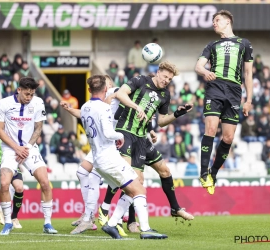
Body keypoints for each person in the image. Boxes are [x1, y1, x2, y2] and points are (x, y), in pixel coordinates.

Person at [99, 61, 194, 232]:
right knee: (131, 179)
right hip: (125, 132)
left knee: (164, 171)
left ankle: (175, 208)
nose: (166, 80)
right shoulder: (140, 81)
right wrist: (136, 107)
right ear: (158, 72)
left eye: (170, 79)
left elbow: (163, 121)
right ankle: (114, 216)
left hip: (142, 138)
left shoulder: (165, 94)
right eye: (165, 76)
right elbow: (121, 94)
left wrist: (178, 113)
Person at [79, 74, 167, 239]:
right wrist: (120, 136)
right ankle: (146, 230)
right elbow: (108, 132)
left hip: (97, 160)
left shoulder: (84, 107)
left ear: (89, 90)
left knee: (130, 189)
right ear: (106, 89)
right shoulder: (104, 108)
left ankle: (111, 224)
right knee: (139, 188)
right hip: (109, 158)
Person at [195, 10, 253, 195]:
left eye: (217, 20)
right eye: (213, 21)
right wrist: (205, 72)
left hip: (235, 91)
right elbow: (198, 65)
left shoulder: (244, 44)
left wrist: (249, 100)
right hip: (215, 87)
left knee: (228, 138)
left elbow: (248, 73)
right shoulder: (211, 45)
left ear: (228, 22)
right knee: (210, 129)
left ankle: (213, 171)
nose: (214, 23)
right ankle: (204, 173)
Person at [60, 75, 126, 236]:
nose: (105, 84)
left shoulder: (117, 91)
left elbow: (123, 93)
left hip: (110, 142)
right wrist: (69, 109)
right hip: (101, 142)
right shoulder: (98, 103)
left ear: (109, 83)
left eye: (105, 80)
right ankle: (89, 213)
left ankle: (97, 215)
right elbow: (84, 112)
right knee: (82, 172)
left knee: (99, 179)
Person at [0, 77, 57, 235]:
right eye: (27, 94)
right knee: (3, 183)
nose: (29, 97)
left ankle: (47, 223)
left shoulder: (38, 102)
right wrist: (17, 148)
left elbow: (38, 128)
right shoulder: (4, 104)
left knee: (44, 181)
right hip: (10, 148)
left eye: (32, 94)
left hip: (30, 147)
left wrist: (26, 148)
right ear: (19, 90)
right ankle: (8, 222)